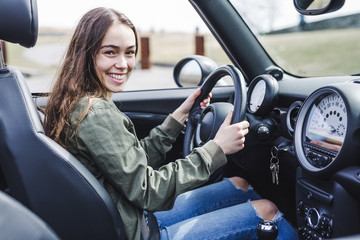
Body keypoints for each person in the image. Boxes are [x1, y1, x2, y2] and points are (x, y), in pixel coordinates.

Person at [44, 7, 298, 240]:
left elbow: (128, 166)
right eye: (110, 52)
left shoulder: (78, 102)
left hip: (128, 215)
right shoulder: (96, 114)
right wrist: (217, 149)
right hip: (134, 231)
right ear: (86, 54)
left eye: (129, 52)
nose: (123, 64)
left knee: (239, 184)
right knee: (267, 211)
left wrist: (177, 119)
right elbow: (148, 191)